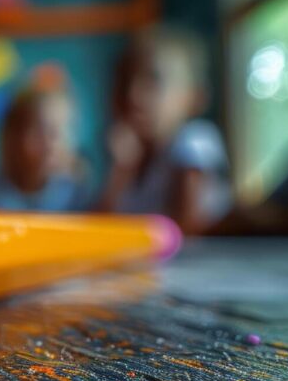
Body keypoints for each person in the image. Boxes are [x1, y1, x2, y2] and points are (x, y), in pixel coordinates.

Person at [98, 27, 230, 234]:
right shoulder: (131, 158)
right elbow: (102, 227)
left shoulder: (194, 139)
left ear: (195, 97)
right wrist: (121, 171)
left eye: (154, 81)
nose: (133, 95)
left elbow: (187, 225)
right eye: (125, 81)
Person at [0, 88, 91, 212]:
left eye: (63, 130)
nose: (53, 142)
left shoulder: (75, 193)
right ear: (13, 137)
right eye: (41, 130)